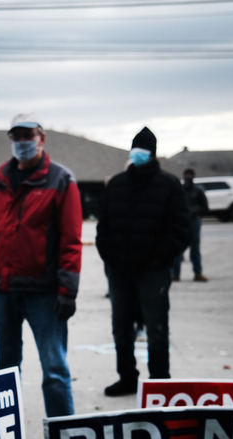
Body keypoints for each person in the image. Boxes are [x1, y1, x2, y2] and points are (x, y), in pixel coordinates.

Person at [0, 113, 83, 417]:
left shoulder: (61, 180)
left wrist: (68, 290)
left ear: (41, 138)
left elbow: (71, 240)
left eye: (28, 136)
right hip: (4, 291)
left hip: (44, 294)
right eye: (16, 137)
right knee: (4, 370)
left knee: (54, 368)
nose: (22, 143)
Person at [96, 127, 190, 397]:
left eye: (141, 149)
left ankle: (160, 382)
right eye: (134, 148)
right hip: (119, 270)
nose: (136, 154)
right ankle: (127, 378)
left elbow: (180, 229)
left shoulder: (169, 185)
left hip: (152, 271)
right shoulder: (117, 184)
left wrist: (159, 259)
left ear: (151, 153)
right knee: (121, 327)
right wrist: (111, 258)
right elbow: (104, 228)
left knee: (156, 326)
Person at [171, 168, 209, 282]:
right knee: (177, 248)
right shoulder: (179, 190)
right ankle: (175, 274)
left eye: (190, 175)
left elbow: (205, 207)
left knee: (195, 248)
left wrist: (194, 211)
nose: (188, 177)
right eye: (186, 175)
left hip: (194, 221)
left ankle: (198, 273)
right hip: (181, 222)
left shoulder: (198, 191)